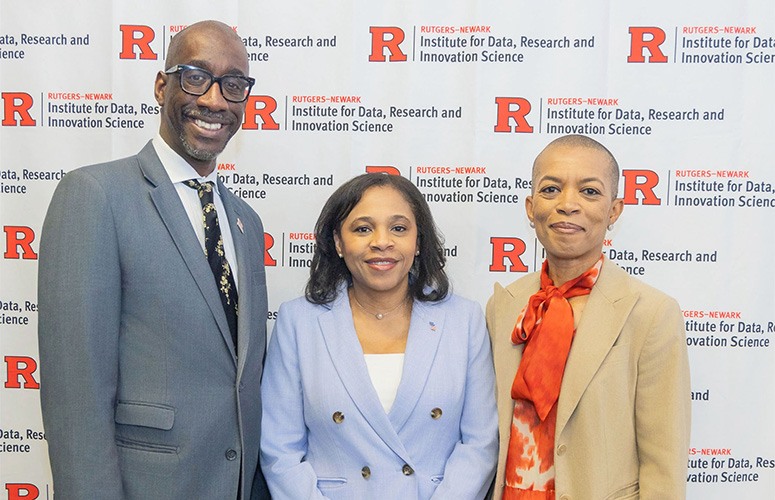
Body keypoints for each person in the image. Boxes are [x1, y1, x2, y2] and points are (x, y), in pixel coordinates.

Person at [37, 20, 270, 499]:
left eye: (233, 85)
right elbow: (75, 395)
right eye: (195, 77)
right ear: (162, 86)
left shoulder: (247, 223)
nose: (214, 101)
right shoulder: (95, 196)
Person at [260, 173, 498, 499]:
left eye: (398, 228)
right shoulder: (298, 322)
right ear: (339, 243)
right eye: (362, 228)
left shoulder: (464, 321)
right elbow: (280, 449)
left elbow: (480, 444)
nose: (381, 241)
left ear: (418, 242)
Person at [486, 135, 691, 499]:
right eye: (551, 189)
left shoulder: (651, 313)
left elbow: (663, 460)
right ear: (531, 208)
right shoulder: (506, 304)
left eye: (590, 192)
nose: (568, 205)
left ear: (614, 211)